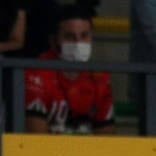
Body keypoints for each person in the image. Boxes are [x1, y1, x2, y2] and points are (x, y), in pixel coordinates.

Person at [24, 4, 115, 134]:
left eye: (84, 36)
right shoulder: (37, 73)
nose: (78, 43)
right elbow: (36, 137)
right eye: (69, 37)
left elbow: (107, 136)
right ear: (53, 41)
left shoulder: (99, 76)